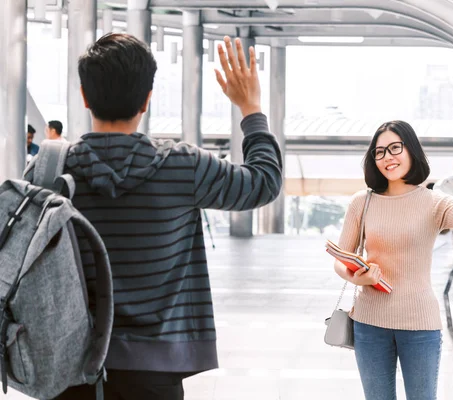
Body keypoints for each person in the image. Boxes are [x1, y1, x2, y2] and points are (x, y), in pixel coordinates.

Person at [25, 33, 282, 399]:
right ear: (147, 100)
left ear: (85, 96)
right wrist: (251, 109)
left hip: (68, 368)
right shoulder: (183, 165)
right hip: (156, 370)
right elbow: (264, 182)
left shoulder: (49, 168)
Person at [333, 121, 453, 400]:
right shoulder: (362, 201)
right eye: (379, 152)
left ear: (411, 150)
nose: (387, 157)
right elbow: (341, 259)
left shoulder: (434, 202)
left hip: (420, 324)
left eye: (395, 148)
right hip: (369, 322)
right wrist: (357, 277)